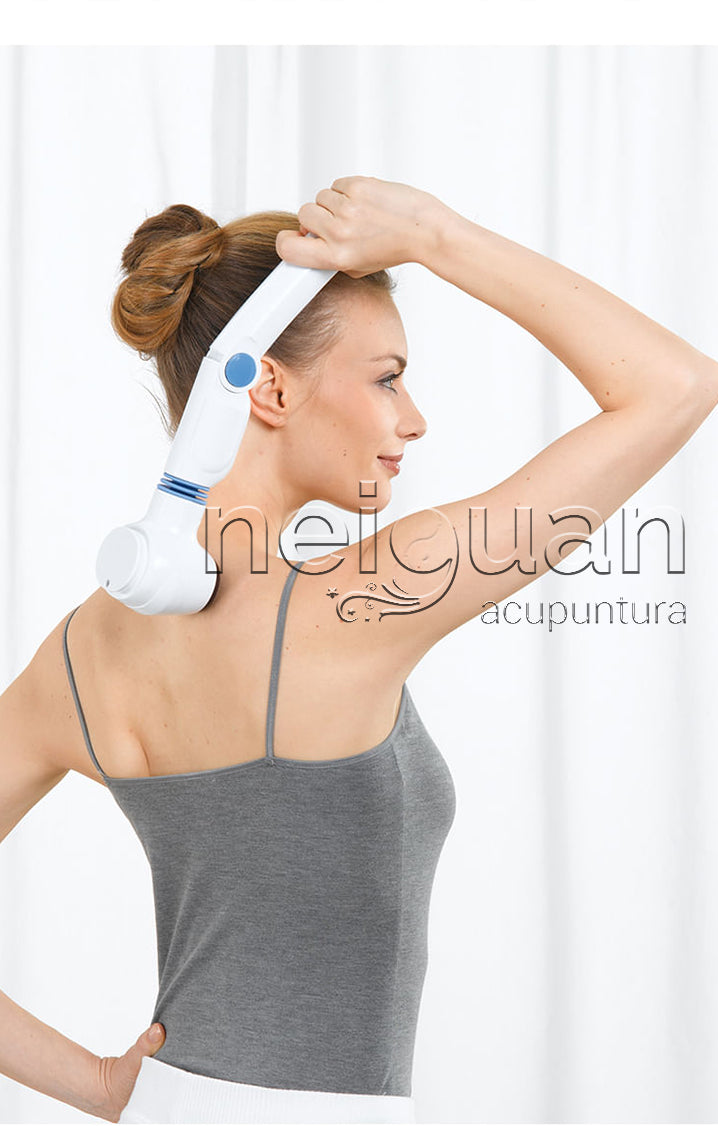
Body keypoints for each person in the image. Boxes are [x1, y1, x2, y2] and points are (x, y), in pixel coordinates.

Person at [1, 174, 716, 1124]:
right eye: (387, 378)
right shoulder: (354, 604)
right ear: (268, 387)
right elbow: (674, 385)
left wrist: (99, 1086)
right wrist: (435, 234)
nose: (412, 419)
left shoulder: (77, 655)